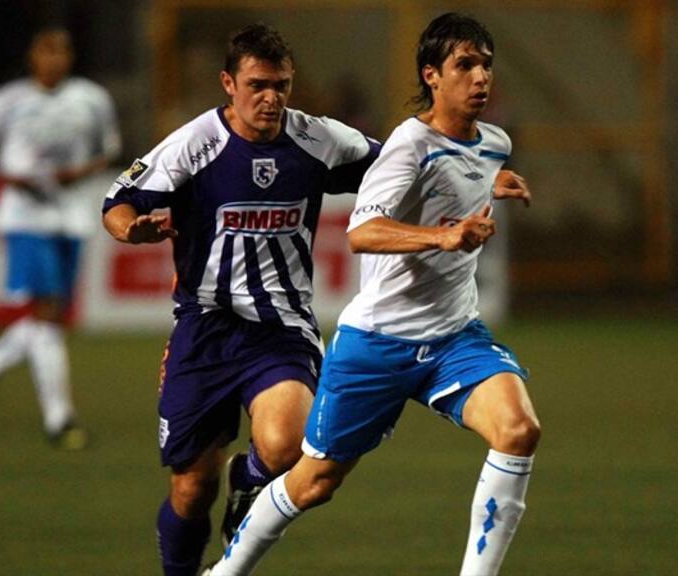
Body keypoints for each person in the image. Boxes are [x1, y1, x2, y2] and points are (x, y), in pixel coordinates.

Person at [204, 12, 541, 576]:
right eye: (464, 65)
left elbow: (461, 177)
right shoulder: (409, 144)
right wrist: (444, 236)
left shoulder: (494, 144)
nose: (481, 76)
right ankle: (224, 573)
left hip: (454, 338)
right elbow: (362, 231)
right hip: (377, 344)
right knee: (314, 482)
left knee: (519, 430)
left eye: (485, 65)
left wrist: (491, 181)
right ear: (432, 75)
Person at [101, 24, 381, 576]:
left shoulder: (318, 139)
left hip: (281, 328)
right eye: (257, 85)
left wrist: (472, 175)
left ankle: (248, 479)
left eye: (281, 85)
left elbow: (399, 163)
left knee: (287, 446)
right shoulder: (195, 144)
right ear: (228, 83)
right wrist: (132, 229)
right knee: (191, 487)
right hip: (205, 328)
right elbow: (118, 200)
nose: (271, 98)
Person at [0, 26, 121, 449]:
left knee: (52, 318)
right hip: (25, 217)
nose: (54, 58)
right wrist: (16, 179)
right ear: (33, 57)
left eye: (62, 51)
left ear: (70, 57)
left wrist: (81, 172)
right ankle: (59, 418)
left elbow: (110, 149)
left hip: (72, 216)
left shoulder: (91, 98)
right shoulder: (7, 101)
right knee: (46, 313)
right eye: (47, 50)